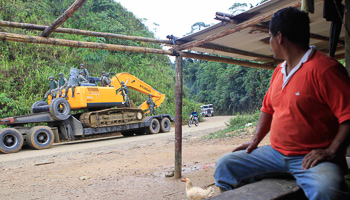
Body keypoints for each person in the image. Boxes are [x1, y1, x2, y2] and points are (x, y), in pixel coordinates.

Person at [214, 7, 350, 200]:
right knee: (226, 164)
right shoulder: (279, 71)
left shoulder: (325, 69)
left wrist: (331, 151)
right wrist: (255, 141)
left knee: (327, 188)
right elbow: (267, 109)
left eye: (270, 36)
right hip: (275, 154)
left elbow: (348, 116)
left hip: (310, 159)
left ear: (279, 37)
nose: (270, 43)